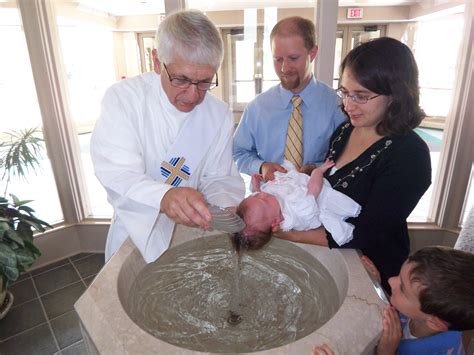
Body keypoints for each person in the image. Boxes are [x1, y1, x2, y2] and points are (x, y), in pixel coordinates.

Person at [274, 37, 432, 292]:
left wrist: (287, 234)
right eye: (345, 92)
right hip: (330, 255)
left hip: (370, 270)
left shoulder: (409, 156)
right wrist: (308, 174)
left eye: (361, 96)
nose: (348, 106)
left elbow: (367, 234)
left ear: (396, 95)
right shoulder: (346, 130)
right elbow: (332, 184)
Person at [90, 10, 245, 263]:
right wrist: (163, 196)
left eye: (204, 82)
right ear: (156, 60)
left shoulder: (217, 114)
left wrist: (226, 208)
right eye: (181, 79)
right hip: (134, 229)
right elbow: (117, 174)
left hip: (191, 229)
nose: (193, 96)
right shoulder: (124, 100)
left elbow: (219, 177)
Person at [232, 16, 346, 181]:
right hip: (266, 201)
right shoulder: (257, 108)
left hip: (318, 201)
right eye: (277, 59)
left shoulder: (337, 106)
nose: (284, 68)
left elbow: (346, 158)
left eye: (293, 58)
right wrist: (261, 166)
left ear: (312, 53)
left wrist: (318, 169)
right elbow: (238, 153)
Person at [313, 246, 474, 355]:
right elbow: (400, 310)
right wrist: (376, 286)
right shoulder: (423, 314)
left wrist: (387, 352)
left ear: (434, 322)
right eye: (399, 276)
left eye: (402, 288)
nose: (390, 281)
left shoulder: (442, 350)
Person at [234, 159, 361, 250]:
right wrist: (319, 171)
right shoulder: (298, 209)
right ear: (276, 221)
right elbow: (314, 188)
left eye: (256, 196)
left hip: (291, 185)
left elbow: (258, 200)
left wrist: (256, 185)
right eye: (263, 199)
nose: (262, 193)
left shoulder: (269, 207)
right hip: (315, 190)